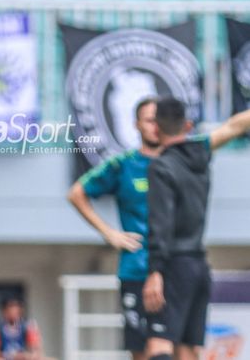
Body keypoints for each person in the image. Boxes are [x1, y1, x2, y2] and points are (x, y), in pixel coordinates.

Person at [143, 97, 250, 360]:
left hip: (173, 266)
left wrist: (155, 271)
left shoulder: (160, 167)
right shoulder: (201, 152)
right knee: (188, 349)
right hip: (199, 265)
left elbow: (161, 223)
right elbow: (235, 126)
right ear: (188, 125)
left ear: (155, 129)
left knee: (159, 344)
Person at [67, 97, 160, 360]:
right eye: (149, 120)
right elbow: (76, 193)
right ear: (137, 125)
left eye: (159, 120)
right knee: (141, 350)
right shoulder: (124, 164)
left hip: (172, 270)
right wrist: (110, 233)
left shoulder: (178, 162)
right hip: (136, 271)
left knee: (174, 349)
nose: (155, 126)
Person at [0, 292, 43, 360]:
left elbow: (35, 350)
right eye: (11, 306)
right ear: (4, 309)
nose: (15, 310)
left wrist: (26, 355)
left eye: (18, 306)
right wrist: (11, 356)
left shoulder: (28, 325)